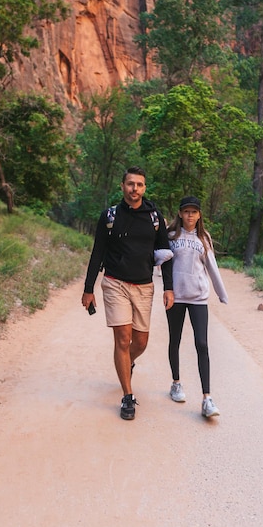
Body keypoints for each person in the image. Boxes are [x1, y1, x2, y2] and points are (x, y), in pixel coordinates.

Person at [81, 166, 174, 420]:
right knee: (123, 339)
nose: (135, 189)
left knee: (140, 342)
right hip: (115, 283)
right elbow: (97, 252)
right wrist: (88, 288)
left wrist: (169, 287)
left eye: (140, 185)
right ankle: (127, 396)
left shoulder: (154, 217)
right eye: (131, 184)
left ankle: (126, 363)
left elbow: (165, 254)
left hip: (144, 286)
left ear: (145, 188)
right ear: (122, 186)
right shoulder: (109, 216)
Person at [166, 196, 228, 418]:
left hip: (198, 298)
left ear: (199, 215)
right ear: (180, 214)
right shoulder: (171, 236)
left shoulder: (204, 238)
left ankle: (207, 398)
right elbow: (162, 261)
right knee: (175, 340)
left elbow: (212, 266)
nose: (190, 215)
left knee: (202, 344)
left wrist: (222, 294)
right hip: (176, 297)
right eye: (186, 212)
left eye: (194, 212)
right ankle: (176, 384)